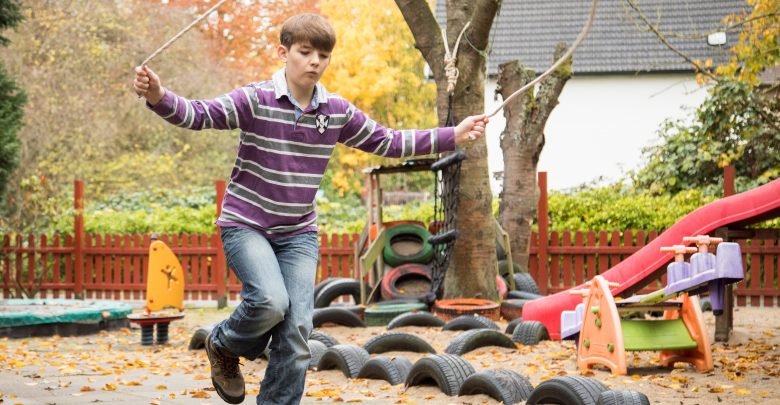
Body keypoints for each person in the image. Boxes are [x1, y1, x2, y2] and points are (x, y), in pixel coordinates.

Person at [133, 13, 487, 405]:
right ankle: (223, 344)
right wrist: (158, 96)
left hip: (297, 233)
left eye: (323, 55)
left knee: (297, 330)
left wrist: (452, 134)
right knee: (271, 302)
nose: (315, 61)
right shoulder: (255, 99)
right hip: (247, 224)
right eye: (305, 52)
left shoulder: (335, 112)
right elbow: (200, 114)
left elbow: (387, 141)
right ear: (283, 53)